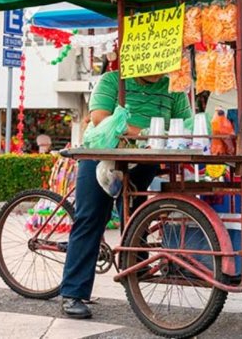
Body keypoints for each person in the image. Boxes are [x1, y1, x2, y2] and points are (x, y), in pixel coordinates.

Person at [60, 70, 192, 319]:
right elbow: (100, 117)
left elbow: (185, 126)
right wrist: (143, 133)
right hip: (100, 154)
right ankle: (73, 293)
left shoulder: (174, 88)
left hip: (143, 159)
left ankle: (135, 264)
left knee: (137, 212)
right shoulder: (112, 80)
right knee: (91, 217)